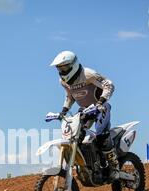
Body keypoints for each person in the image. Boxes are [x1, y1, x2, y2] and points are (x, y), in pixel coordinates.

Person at [50, 50, 119, 181]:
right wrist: (63, 111)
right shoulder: (63, 81)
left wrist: (101, 102)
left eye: (64, 67)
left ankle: (114, 167)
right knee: (75, 137)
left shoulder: (88, 74)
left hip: (100, 107)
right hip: (84, 111)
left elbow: (109, 84)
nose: (62, 70)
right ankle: (88, 166)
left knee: (101, 135)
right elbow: (70, 97)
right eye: (60, 68)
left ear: (73, 64)